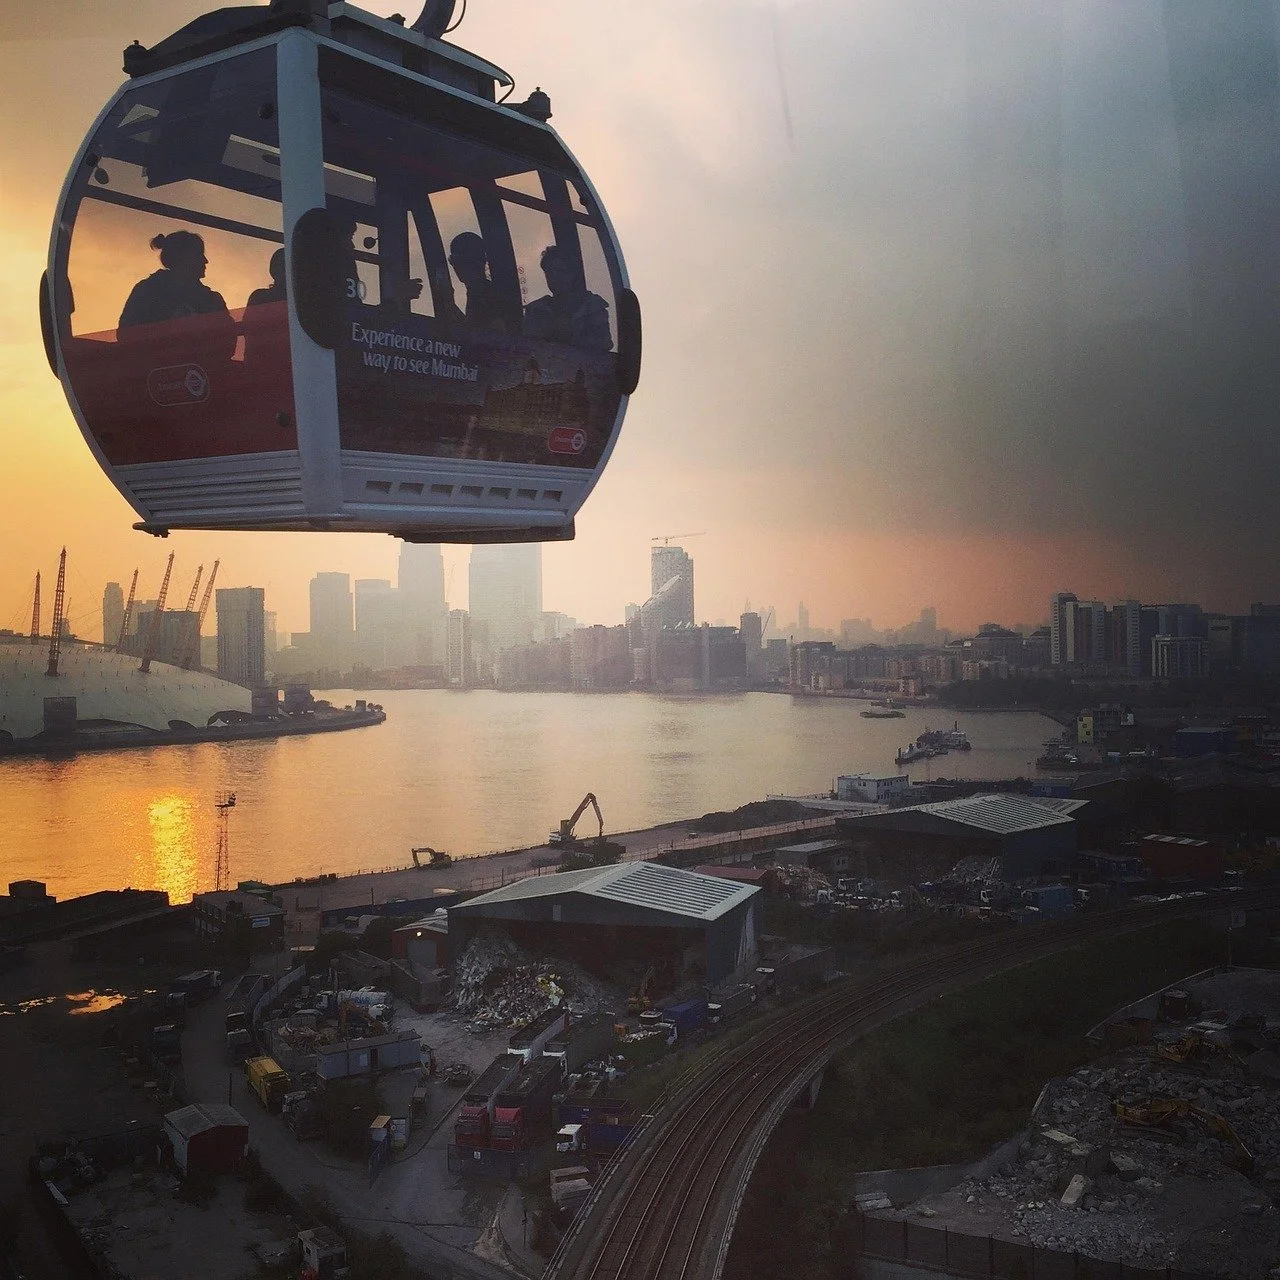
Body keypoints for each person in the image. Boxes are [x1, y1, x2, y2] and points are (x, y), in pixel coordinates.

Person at [118, 231, 234, 350]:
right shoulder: (148, 291)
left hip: (202, 367)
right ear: (182, 257)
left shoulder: (212, 300)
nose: (205, 260)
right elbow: (126, 335)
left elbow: (229, 343)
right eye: (199, 254)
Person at [521, 244, 612, 351]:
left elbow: (604, 345)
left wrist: (570, 335)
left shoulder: (592, 308)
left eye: (559, 270)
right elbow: (527, 347)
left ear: (572, 273)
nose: (553, 276)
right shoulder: (536, 310)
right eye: (549, 272)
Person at [440, 232, 516, 334]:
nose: (455, 267)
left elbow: (490, 336)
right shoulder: (478, 291)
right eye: (452, 261)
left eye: (456, 261)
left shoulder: (485, 294)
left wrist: (449, 304)